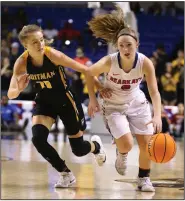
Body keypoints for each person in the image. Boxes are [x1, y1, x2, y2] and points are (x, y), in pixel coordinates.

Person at [7, 24, 106, 188]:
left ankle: (96, 147)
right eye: (34, 42)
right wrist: (19, 88)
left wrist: (99, 90)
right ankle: (65, 173)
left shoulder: (52, 55)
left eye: (41, 40)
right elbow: (11, 94)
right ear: (25, 46)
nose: (40, 45)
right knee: (37, 139)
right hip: (44, 102)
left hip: (66, 101)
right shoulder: (21, 63)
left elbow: (86, 70)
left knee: (79, 150)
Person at [87, 6, 162, 192]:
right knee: (128, 144)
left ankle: (143, 179)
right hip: (113, 105)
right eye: (121, 45)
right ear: (116, 46)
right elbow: (88, 73)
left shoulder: (145, 63)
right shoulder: (110, 61)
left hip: (137, 103)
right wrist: (95, 95)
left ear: (137, 45)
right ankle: (122, 154)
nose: (125, 49)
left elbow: (154, 91)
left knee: (147, 144)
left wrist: (158, 115)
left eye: (129, 45)